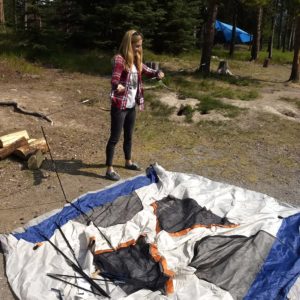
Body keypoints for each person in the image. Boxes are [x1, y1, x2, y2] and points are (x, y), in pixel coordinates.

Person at [105, 29, 164, 181]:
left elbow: (148, 70)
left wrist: (158, 73)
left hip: (131, 106)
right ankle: (109, 169)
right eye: (136, 46)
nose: (139, 48)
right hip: (120, 105)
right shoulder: (120, 59)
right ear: (128, 44)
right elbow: (115, 78)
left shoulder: (136, 61)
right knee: (115, 137)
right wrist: (117, 85)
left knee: (129, 136)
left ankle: (128, 162)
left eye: (140, 46)